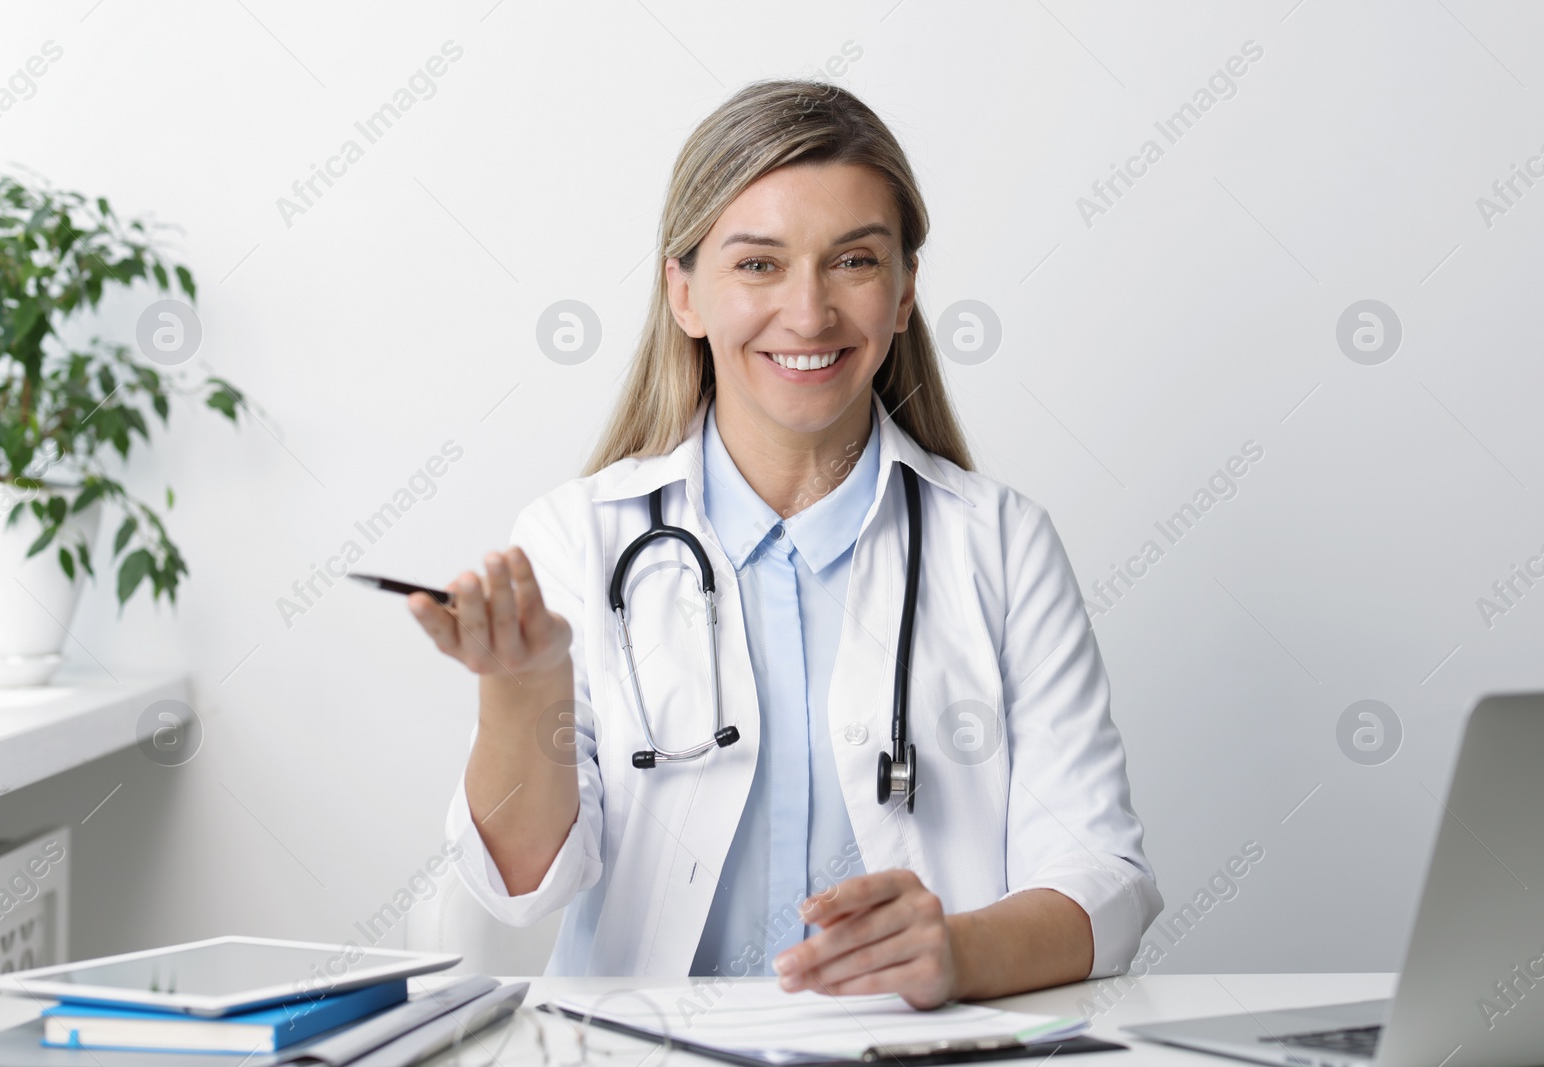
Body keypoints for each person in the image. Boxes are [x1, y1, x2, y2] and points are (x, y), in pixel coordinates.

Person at [410, 78, 1162, 1009]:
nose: (809, 315)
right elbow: (522, 883)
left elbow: (1106, 880)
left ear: (902, 292)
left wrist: (958, 952)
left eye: (852, 261)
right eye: (759, 265)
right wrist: (523, 690)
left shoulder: (1002, 545)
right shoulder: (576, 538)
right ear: (684, 293)